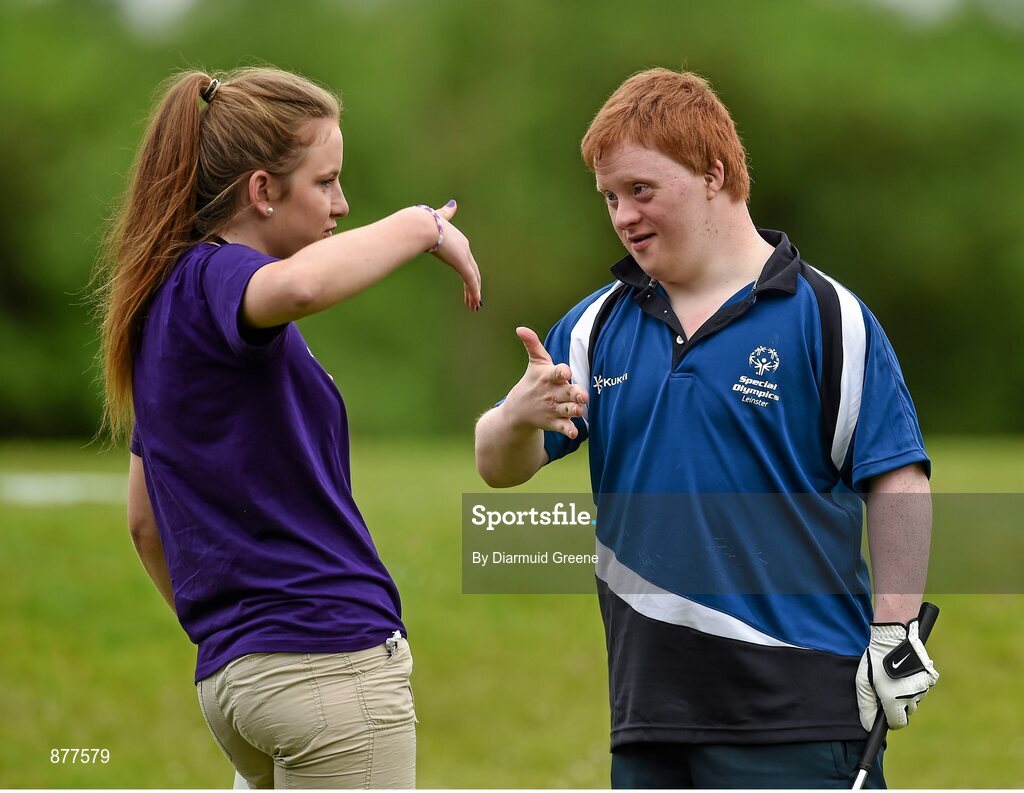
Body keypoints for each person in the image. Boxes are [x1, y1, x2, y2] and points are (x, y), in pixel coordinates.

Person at [474, 68, 938, 788]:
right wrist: (513, 418)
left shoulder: (829, 319)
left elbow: (897, 474)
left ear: (713, 172)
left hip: (802, 714)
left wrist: (895, 630)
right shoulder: (596, 326)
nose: (623, 214)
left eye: (641, 189)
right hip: (648, 716)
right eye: (609, 197)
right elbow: (498, 464)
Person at [95, 66, 481, 789]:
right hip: (328, 663)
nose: (342, 203)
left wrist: (238, 637)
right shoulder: (220, 280)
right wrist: (422, 225)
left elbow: (145, 523)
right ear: (262, 191)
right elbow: (300, 286)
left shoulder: (159, 310)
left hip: (235, 682)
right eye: (325, 182)